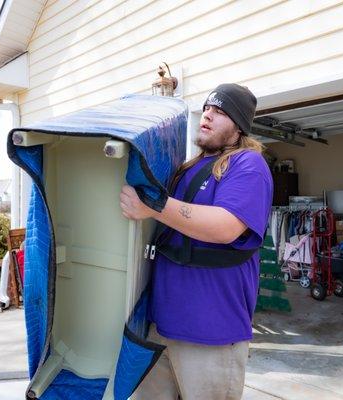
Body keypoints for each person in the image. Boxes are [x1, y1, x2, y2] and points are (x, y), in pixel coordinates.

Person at [120, 83, 273, 400]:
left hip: (211, 333)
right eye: (206, 109)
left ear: (239, 125)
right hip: (159, 327)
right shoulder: (188, 168)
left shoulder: (248, 165)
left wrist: (155, 206)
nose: (207, 116)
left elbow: (225, 227)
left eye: (219, 111)